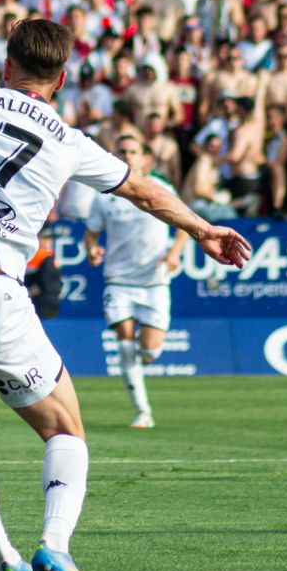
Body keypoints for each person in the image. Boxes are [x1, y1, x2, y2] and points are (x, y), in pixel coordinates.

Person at [0, 18, 250, 571]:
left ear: (6, 67)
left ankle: (5, 558)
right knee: (65, 429)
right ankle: (54, 546)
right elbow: (146, 190)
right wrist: (203, 228)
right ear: (60, 80)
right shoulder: (67, 137)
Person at [82, 134, 190, 429]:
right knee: (125, 344)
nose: (128, 155)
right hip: (118, 281)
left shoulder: (161, 188)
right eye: (123, 151)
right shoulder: (105, 196)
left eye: (133, 151)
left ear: (145, 158)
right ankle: (143, 412)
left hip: (154, 282)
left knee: (150, 351)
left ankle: (142, 368)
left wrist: (174, 253)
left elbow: (185, 225)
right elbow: (91, 232)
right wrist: (91, 249)